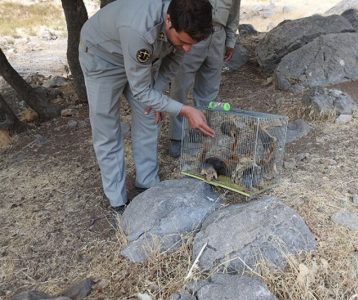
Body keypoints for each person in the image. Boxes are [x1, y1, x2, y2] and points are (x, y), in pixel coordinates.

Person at [79, 0, 215, 212]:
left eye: (192, 43)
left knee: (150, 116)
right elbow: (141, 90)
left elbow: (172, 63)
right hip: (103, 57)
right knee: (106, 127)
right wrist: (185, 109)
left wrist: (158, 95)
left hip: (140, 62)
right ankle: (118, 200)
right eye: (182, 41)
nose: (187, 49)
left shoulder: (185, 21)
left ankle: (147, 184)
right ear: (168, 21)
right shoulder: (140, 29)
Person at [167, 0, 241, 158]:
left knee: (210, 89)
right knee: (180, 86)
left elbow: (234, 13)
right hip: (192, 31)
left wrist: (230, 40)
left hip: (218, 35)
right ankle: (177, 137)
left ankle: (202, 135)